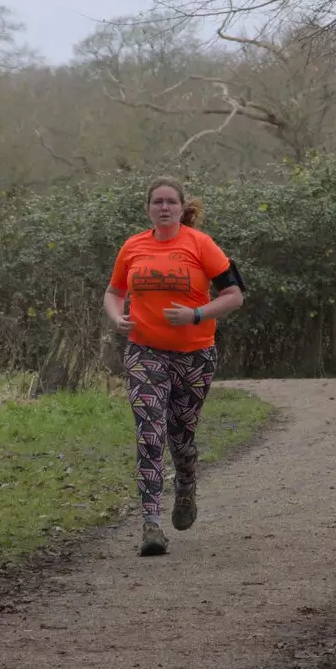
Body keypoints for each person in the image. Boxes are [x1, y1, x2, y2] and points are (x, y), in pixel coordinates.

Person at [104, 177, 246, 556]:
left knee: (180, 437)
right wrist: (117, 318)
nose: (164, 208)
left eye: (170, 202)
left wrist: (197, 314)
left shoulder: (201, 245)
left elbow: (235, 295)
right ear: (148, 208)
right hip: (145, 352)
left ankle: (186, 484)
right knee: (150, 433)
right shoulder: (133, 246)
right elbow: (114, 291)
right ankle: (151, 524)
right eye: (157, 202)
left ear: (182, 208)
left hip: (196, 355)